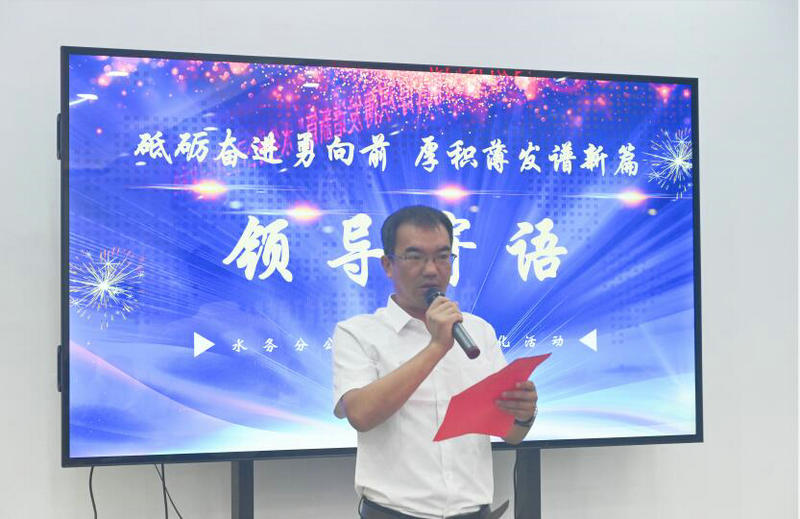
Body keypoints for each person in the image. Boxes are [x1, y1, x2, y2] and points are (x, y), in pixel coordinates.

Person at [332, 205, 538, 519]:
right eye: (415, 257)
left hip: (474, 512)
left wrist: (523, 415)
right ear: (388, 265)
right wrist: (437, 346)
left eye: (443, 257)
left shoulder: (479, 331)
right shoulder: (358, 333)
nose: (431, 270)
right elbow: (360, 414)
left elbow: (511, 434)